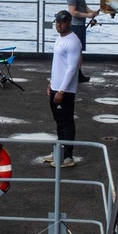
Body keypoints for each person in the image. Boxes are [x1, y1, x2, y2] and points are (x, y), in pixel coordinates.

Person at [43, 10, 81, 167]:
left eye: (62, 22)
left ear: (69, 23)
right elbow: (58, 65)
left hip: (64, 91)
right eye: (57, 22)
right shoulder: (60, 38)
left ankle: (67, 157)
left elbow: (72, 68)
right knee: (59, 122)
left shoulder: (73, 42)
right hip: (56, 87)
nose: (59, 25)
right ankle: (59, 151)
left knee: (66, 122)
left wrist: (62, 90)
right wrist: (52, 84)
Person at [66, 0, 99, 83]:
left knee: (79, 51)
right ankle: (76, 74)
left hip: (81, 26)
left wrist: (91, 12)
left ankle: (78, 73)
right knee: (76, 51)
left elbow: (84, 7)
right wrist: (87, 15)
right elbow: (73, 12)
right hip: (76, 26)